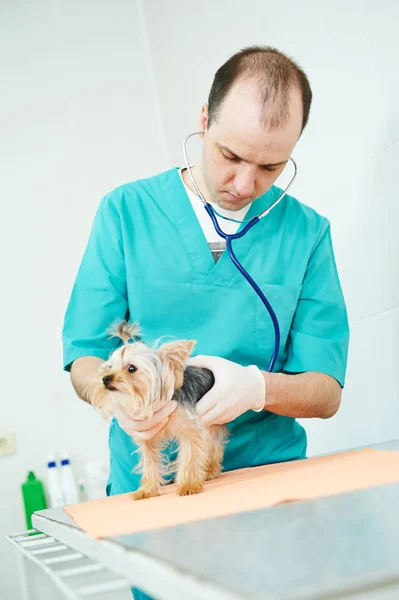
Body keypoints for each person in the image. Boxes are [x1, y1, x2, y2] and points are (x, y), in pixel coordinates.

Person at [63, 45, 349, 597]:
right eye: (229, 155)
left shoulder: (307, 234)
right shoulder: (126, 213)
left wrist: (257, 388)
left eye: (270, 167)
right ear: (203, 121)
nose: (244, 183)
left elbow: (326, 391)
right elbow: (82, 356)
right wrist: (121, 406)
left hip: (268, 485)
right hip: (159, 490)